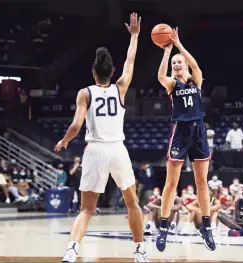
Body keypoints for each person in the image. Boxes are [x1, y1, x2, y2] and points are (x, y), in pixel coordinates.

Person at [54, 13, 148, 262]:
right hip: (118, 149)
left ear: (94, 73)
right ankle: (139, 251)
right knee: (132, 204)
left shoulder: (85, 93)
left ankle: (72, 250)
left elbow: (76, 126)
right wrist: (135, 36)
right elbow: (130, 61)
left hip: (94, 150)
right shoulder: (121, 88)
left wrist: (64, 141)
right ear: (111, 72)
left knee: (86, 209)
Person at [156, 27, 215, 251]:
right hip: (180, 132)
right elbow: (161, 76)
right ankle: (163, 228)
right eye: (175, 64)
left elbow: (197, 66)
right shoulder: (173, 84)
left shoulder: (196, 80)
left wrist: (179, 46)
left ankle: (207, 227)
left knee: (202, 182)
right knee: (171, 184)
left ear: (186, 65)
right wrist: (167, 52)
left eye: (179, 62)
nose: (177, 65)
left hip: (198, 131)